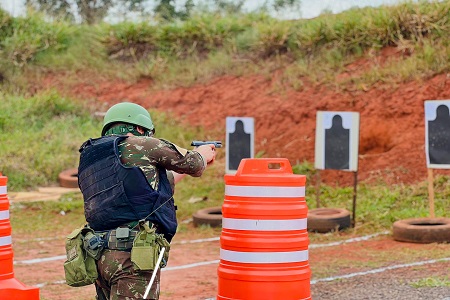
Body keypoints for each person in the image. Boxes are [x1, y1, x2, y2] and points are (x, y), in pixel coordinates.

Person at [77, 102, 216, 300]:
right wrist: (203, 154)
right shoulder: (142, 144)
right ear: (140, 128)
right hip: (131, 256)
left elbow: (152, 186)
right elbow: (193, 164)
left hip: (99, 253)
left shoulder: (92, 156)